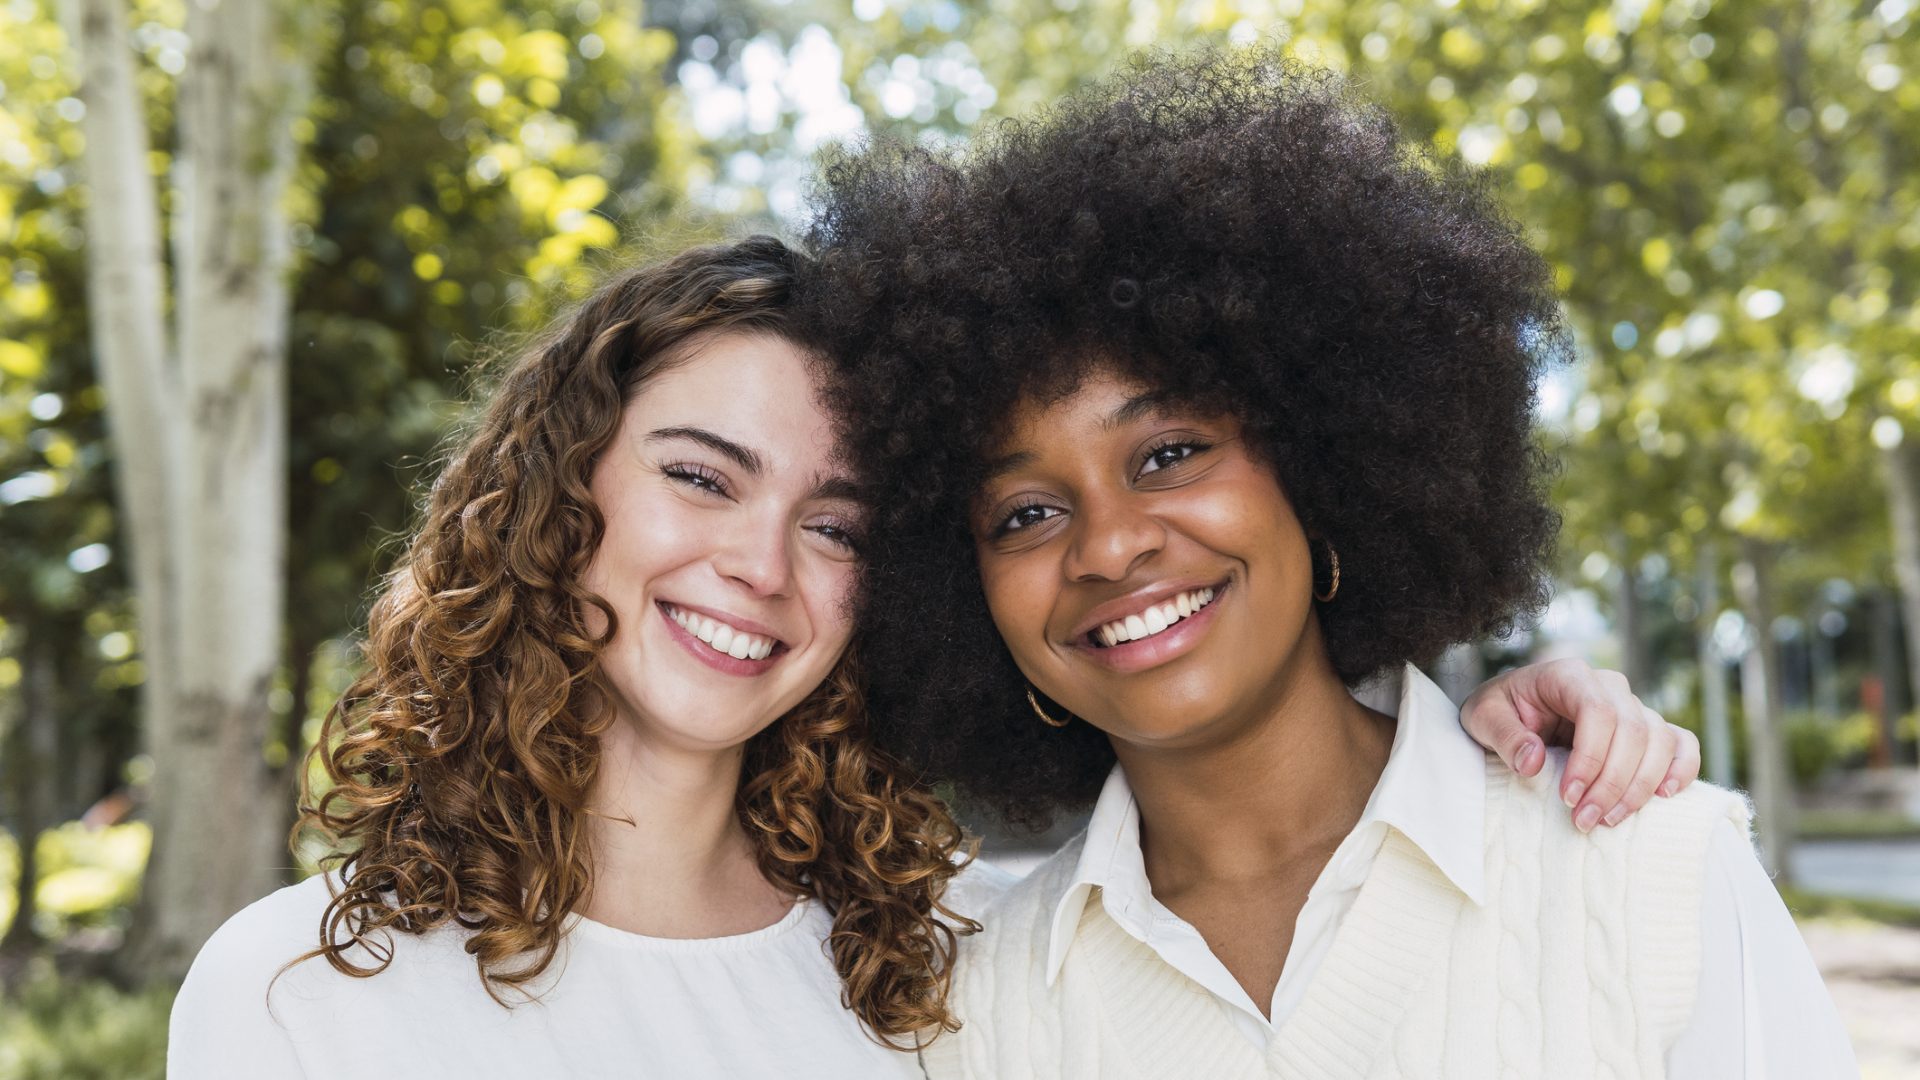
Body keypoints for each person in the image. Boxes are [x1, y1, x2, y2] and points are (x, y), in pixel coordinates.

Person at [168, 242, 1691, 1075]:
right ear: (558, 499)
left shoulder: (962, 969)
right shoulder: (304, 997)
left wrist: (1500, 737)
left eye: (832, 524)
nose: (756, 568)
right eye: (701, 478)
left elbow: (1260, 820)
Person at [802, 49, 1857, 1077]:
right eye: (1025, 513)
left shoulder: (1643, 873)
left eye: (1169, 454)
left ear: (1318, 465)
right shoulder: (973, 1016)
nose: (1111, 544)